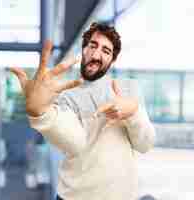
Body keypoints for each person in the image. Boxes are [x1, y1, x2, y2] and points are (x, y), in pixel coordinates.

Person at [11, 22, 156, 200]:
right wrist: (41, 112)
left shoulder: (128, 89)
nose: (96, 54)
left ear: (113, 59)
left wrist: (133, 112)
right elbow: (75, 142)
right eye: (92, 46)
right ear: (83, 49)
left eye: (106, 51)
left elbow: (145, 144)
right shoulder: (65, 94)